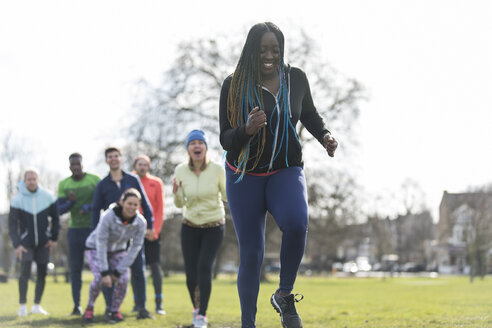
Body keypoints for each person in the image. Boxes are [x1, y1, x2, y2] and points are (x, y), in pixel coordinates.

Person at [219, 22, 338, 328]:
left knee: (297, 223)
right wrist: (247, 129)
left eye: (275, 49)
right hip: (244, 174)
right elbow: (225, 139)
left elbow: (309, 113)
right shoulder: (233, 86)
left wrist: (324, 135)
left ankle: (284, 294)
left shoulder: (295, 78)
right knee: (252, 252)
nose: (269, 55)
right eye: (262, 50)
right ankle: (248, 323)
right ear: (251, 52)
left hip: (286, 169)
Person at [90, 147, 155, 320]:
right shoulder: (102, 184)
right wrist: (96, 232)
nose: (113, 159)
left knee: (138, 269)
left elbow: (145, 204)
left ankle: (141, 307)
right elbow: (96, 209)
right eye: (110, 157)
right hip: (113, 237)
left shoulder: (132, 179)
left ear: (121, 158)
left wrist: (151, 224)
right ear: (106, 160)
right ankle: (110, 308)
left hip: (132, 232)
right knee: (108, 273)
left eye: (116, 156)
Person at [173, 129, 227, 328]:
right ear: (188, 149)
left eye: (200, 143)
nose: (197, 146)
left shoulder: (217, 169)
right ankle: (196, 309)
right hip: (189, 226)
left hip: (214, 226)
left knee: (204, 267)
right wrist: (176, 194)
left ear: (205, 147)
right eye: (192, 143)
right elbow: (179, 204)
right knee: (190, 272)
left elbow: (227, 196)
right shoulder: (180, 170)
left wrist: (235, 180)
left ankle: (202, 315)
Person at [83, 188, 147, 323]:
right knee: (100, 278)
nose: (132, 207)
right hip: (95, 248)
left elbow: (135, 248)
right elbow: (101, 243)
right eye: (129, 203)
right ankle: (90, 308)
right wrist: (105, 272)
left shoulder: (140, 223)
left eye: (135, 205)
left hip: (118, 251)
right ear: (122, 202)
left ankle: (114, 310)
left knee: (123, 279)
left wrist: (118, 271)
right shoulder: (108, 216)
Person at [8, 168, 60, 317]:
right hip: (26, 244)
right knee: (24, 270)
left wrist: (53, 239)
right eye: (28, 179)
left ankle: (37, 305)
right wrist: (17, 244)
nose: (31, 181)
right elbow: (12, 225)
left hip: (44, 243)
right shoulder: (17, 199)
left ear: (38, 180)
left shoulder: (48, 196)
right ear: (24, 181)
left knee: (42, 274)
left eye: (34, 179)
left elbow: (56, 219)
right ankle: (22, 306)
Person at [57, 153, 100, 315]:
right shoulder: (64, 184)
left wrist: (89, 207)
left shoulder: (94, 180)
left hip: (93, 229)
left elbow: (101, 202)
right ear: (69, 166)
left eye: (78, 164)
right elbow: (59, 210)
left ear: (82, 165)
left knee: (100, 268)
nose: (75, 167)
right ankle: (77, 306)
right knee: (75, 269)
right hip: (74, 230)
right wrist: (71, 203)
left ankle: (100, 305)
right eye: (72, 165)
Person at [133, 154, 166, 315]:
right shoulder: (130, 181)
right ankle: (137, 302)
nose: (142, 167)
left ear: (149, 166)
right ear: (135, 165)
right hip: (133, 233)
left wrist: (155, 229)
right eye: (140, 164)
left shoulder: (156, 182)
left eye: (145, 164)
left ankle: (159, 303)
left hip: (152, 233)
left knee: (155, 267)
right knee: (135, 268)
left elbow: (160, 208)